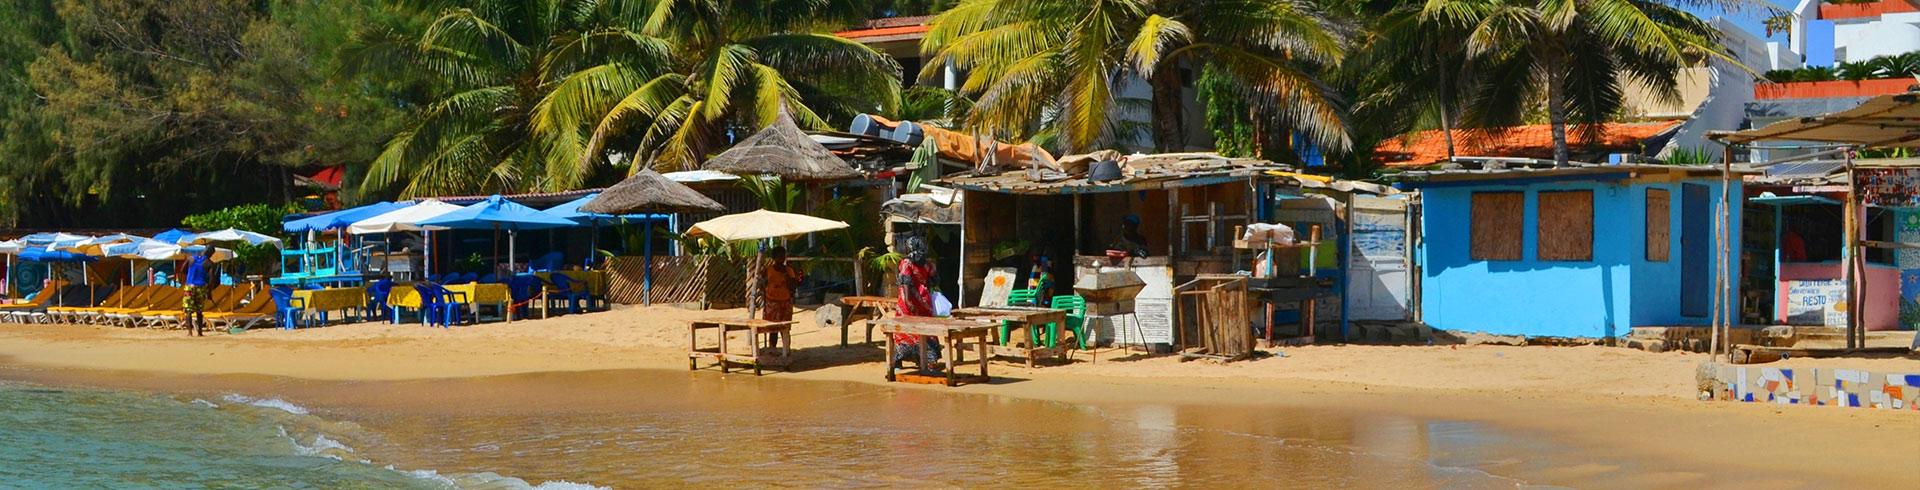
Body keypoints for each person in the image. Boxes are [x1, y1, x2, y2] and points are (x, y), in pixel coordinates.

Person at [893, 236, 942, 373]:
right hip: (924, 302)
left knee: (904, 331)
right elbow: (935, 281)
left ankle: (898, 362)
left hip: (907, 303)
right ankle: (929, 362)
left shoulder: (906, 263)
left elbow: (905, 282)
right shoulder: (928, 264)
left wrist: (908, 301)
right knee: (926, 330)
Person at [761, 246, 802, 349]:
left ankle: (786, 350)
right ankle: (772, 349)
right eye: (779, 257)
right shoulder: (768, 270)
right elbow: (763, 285)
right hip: (772, 304)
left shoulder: (789, 271)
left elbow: (793, 287)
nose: (781, 259)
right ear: (774, 258)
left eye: (783, 257)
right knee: (773, 329)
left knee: (785, 329)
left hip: (785, 303)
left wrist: (787, 276)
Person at [183, 246, 213, 337]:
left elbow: (182, 270)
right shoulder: (209, 263)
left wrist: (189, 275)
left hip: (189, 286)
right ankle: (200, 332)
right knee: (199, 310)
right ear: (211, 254)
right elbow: (211, 279)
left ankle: (189, 332)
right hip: (201, 286)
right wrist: (209, 292)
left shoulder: (191, 258)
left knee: (188, 310)